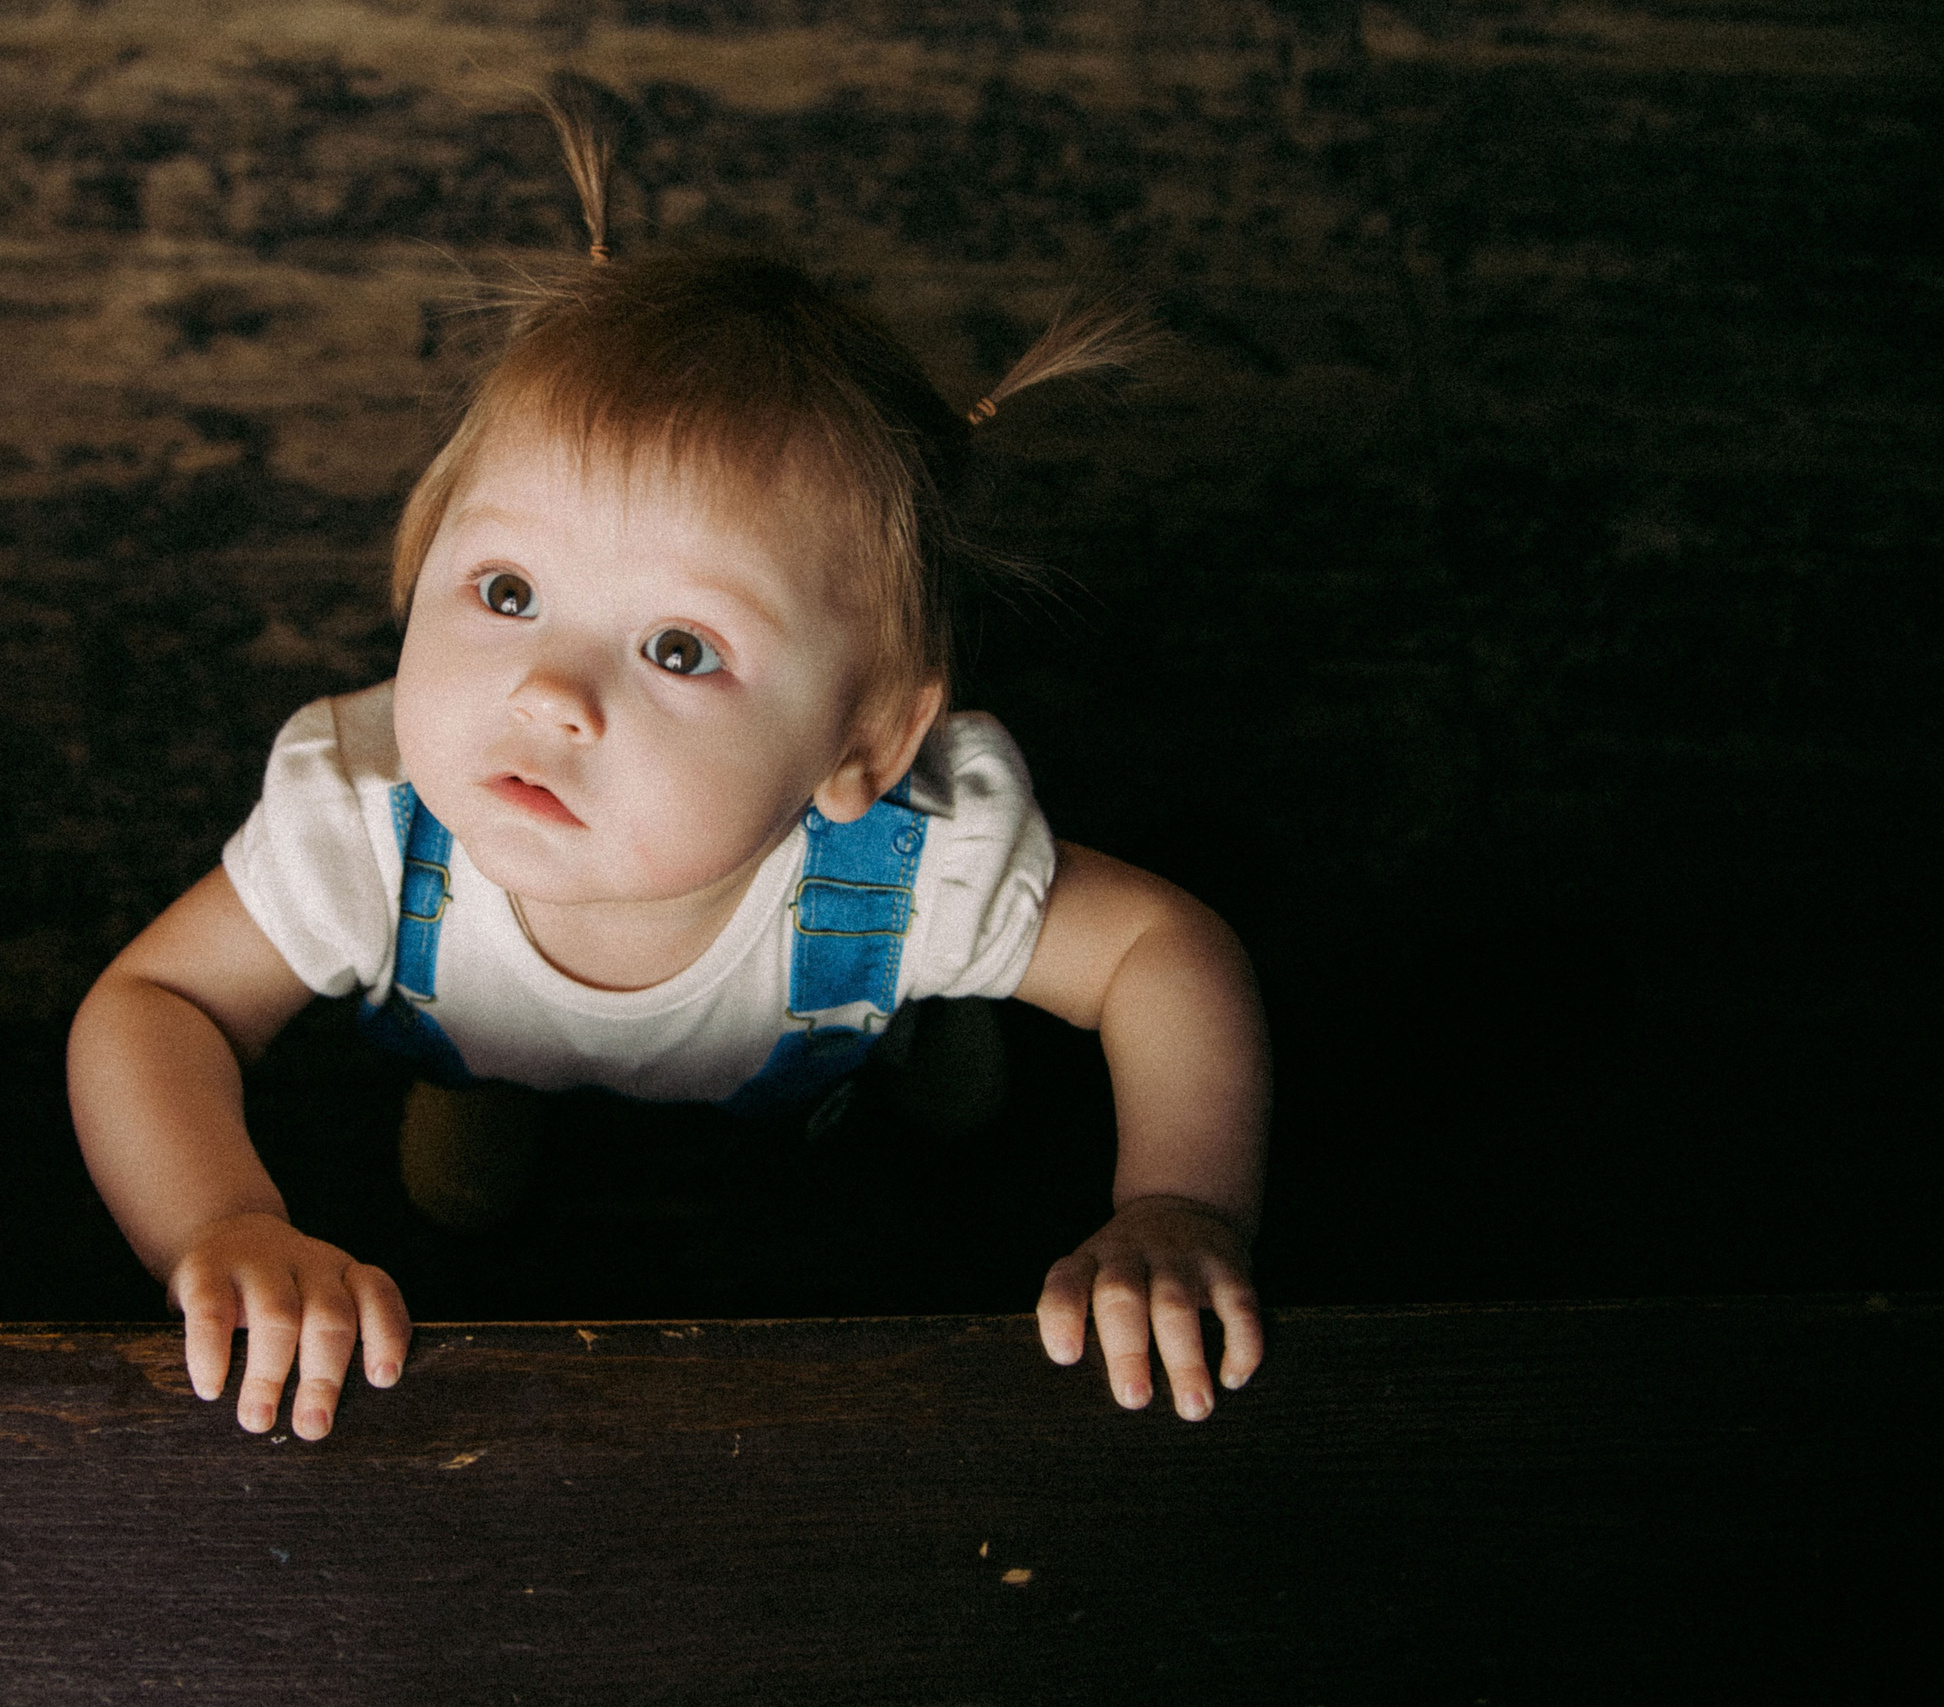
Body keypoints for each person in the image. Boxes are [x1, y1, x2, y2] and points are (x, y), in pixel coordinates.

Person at [68, 97, 1269, 1442]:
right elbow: (157, 1003)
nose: (549, 693)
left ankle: (925, 1025)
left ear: (857, 745)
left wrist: (1180, 1203)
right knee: (473, 1107)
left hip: (822, 1029)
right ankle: (490, 1081)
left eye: (680, 646)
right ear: (420, 563)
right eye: (508, 588)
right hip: (493, 1025)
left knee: (938, 1070)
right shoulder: (361, 830)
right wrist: (220, 1219)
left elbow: (1164, 948)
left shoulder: (917, 865)